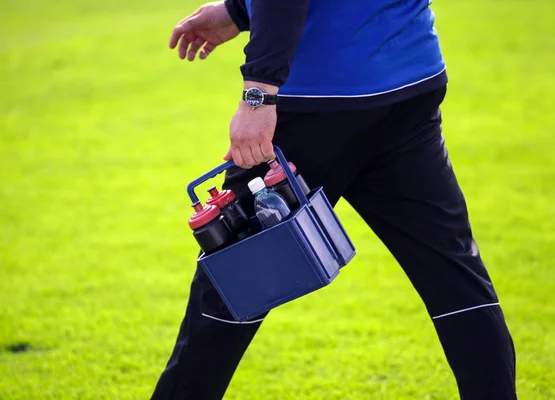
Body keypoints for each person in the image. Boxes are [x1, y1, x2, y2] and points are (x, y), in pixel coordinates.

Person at [150, 0, 517, 399]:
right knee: (457, 282)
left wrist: (259, 94)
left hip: (315, 103)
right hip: (410, 85)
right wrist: (240, 11)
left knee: (229, 290)